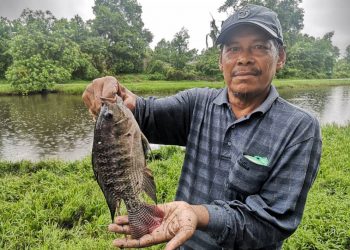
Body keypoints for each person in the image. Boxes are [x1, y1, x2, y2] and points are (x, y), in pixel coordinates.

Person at [82, 4, 322, 250]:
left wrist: (199, 215)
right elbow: (143, 113)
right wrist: (114, 90)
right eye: (233, 48)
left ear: (280, 57)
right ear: (220, 60)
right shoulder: (197, 103)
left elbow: (273, 221)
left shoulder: (299, 128)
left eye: (259, 46)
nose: (244, 58)